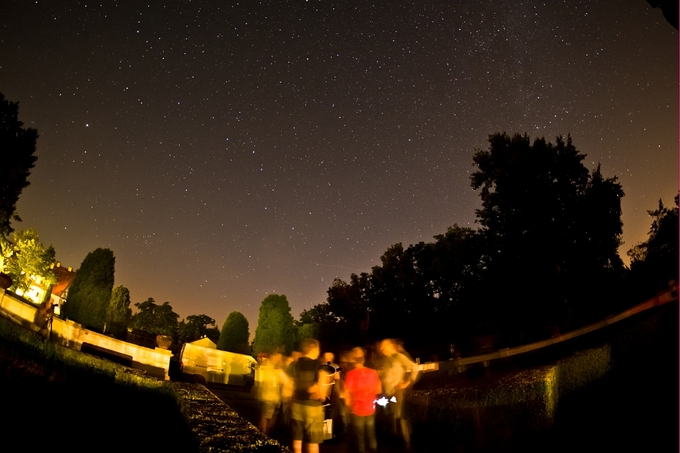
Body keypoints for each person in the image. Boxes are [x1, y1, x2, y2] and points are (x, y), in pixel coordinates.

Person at [378, 338, 420, 450]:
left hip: (398, 392)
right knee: (395, 417)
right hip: (390, 393)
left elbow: (415, 367)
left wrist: (408, 382)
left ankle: (407, 443)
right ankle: (400, 441)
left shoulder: (398, 357)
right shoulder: (386, 359)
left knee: (401, 417)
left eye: (384, 345)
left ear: (390, 346)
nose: (381, 348)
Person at [286, 338, 324, 453]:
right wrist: (320, 394)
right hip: (313, 407)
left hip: (297, 404)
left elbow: (282, 375)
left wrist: (294, 387)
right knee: (313, 441)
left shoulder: (296, 363)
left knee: (297, 438)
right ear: (314, 349)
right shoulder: (319, 365)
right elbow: (322, 387)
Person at [344, 347, 382, 453]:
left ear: (353, 361)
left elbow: (347, 393)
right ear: (363, 360)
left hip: (357, 408)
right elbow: (379, 389)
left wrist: (348, 408)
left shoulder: (350, 374)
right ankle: (373, 449)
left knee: (359, 435)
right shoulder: (373, 372)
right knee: (371, 431)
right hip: (370, 407)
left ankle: (362, 450)